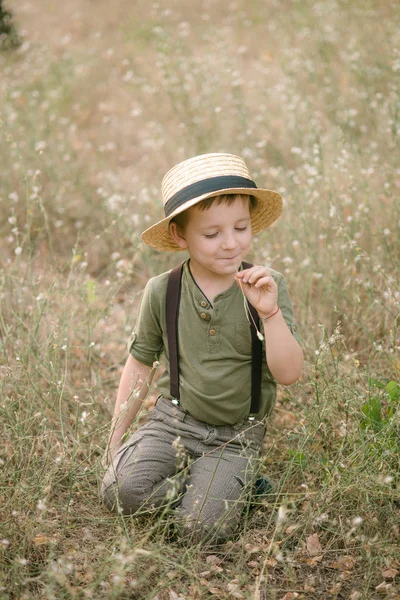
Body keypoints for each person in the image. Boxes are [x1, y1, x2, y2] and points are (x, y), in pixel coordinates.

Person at [101, 153, 303, 544]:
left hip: (235, 434)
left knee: (201, 529)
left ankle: (228, 487)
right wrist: (115, 441)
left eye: (241, 228)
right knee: (119, 490)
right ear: (180, 235)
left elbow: (289, 374)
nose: (231, 244)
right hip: (173, 423)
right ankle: (200, 486)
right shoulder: (163, 291)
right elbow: (140, 365)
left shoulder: (266, 285)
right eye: (212, 234)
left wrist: (271, 313)